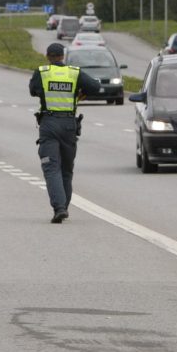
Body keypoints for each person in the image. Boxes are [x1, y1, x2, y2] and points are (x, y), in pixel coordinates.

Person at [29, 42, 101, 223]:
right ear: (63, 56)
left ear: (48, 56)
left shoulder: (42, 72)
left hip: (49, 124)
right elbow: (95, 86)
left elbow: (33, 90)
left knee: (51, 167)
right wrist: (79, 94)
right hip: (69, 124)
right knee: (66, 170)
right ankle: (64, 207)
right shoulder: (74, 73)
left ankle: (59, 208)